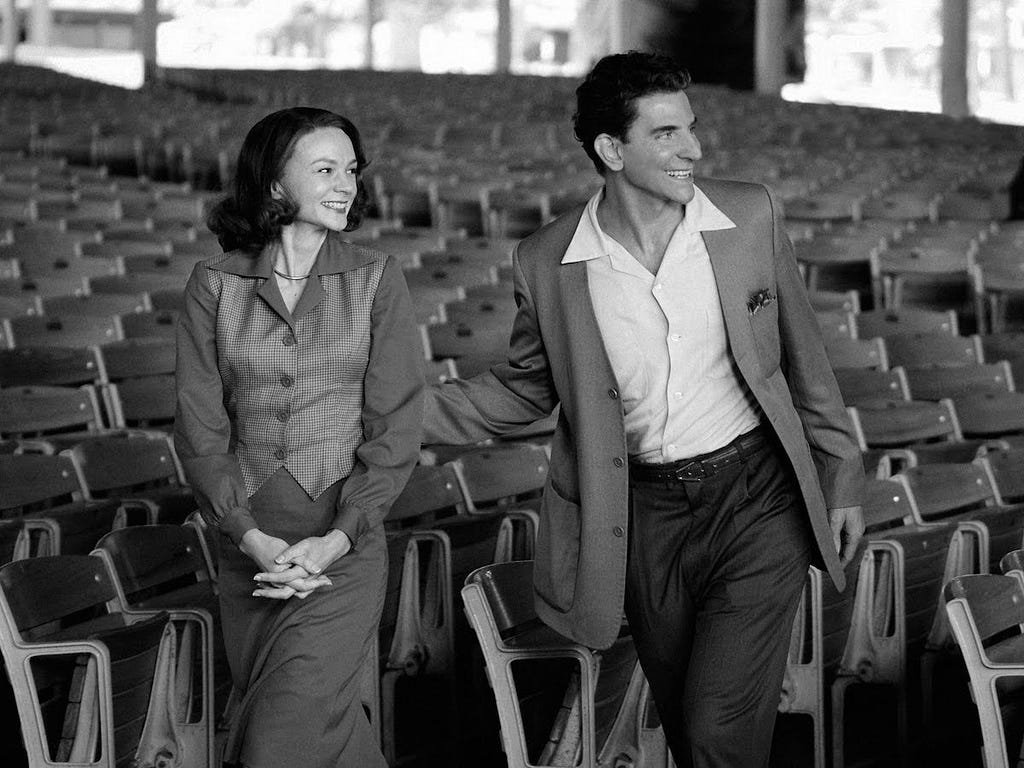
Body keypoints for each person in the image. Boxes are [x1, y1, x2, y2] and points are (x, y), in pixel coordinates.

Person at [422, 52, 864, 767]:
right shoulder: (548, 260)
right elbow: (524, 391)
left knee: (719, 725)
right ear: (611, 148)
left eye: (690, 128)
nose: (692, 148)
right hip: (642, 515)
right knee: (690, 729)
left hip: (758, 498)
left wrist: (841, 475)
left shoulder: (748, 216)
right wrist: (386, 412)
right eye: (665, 134)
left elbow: (805, 358)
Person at [174, 107, 423, 768]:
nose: (346, 183)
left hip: (343, 547)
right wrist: (249, 538)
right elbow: (201, 427)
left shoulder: (376, 278)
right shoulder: (214, 284)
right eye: (324, 169)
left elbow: (396, 424)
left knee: (278, 740)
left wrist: (339, 538)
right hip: (248, 552)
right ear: (276, 185)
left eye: (350, 169)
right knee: (320, 736)